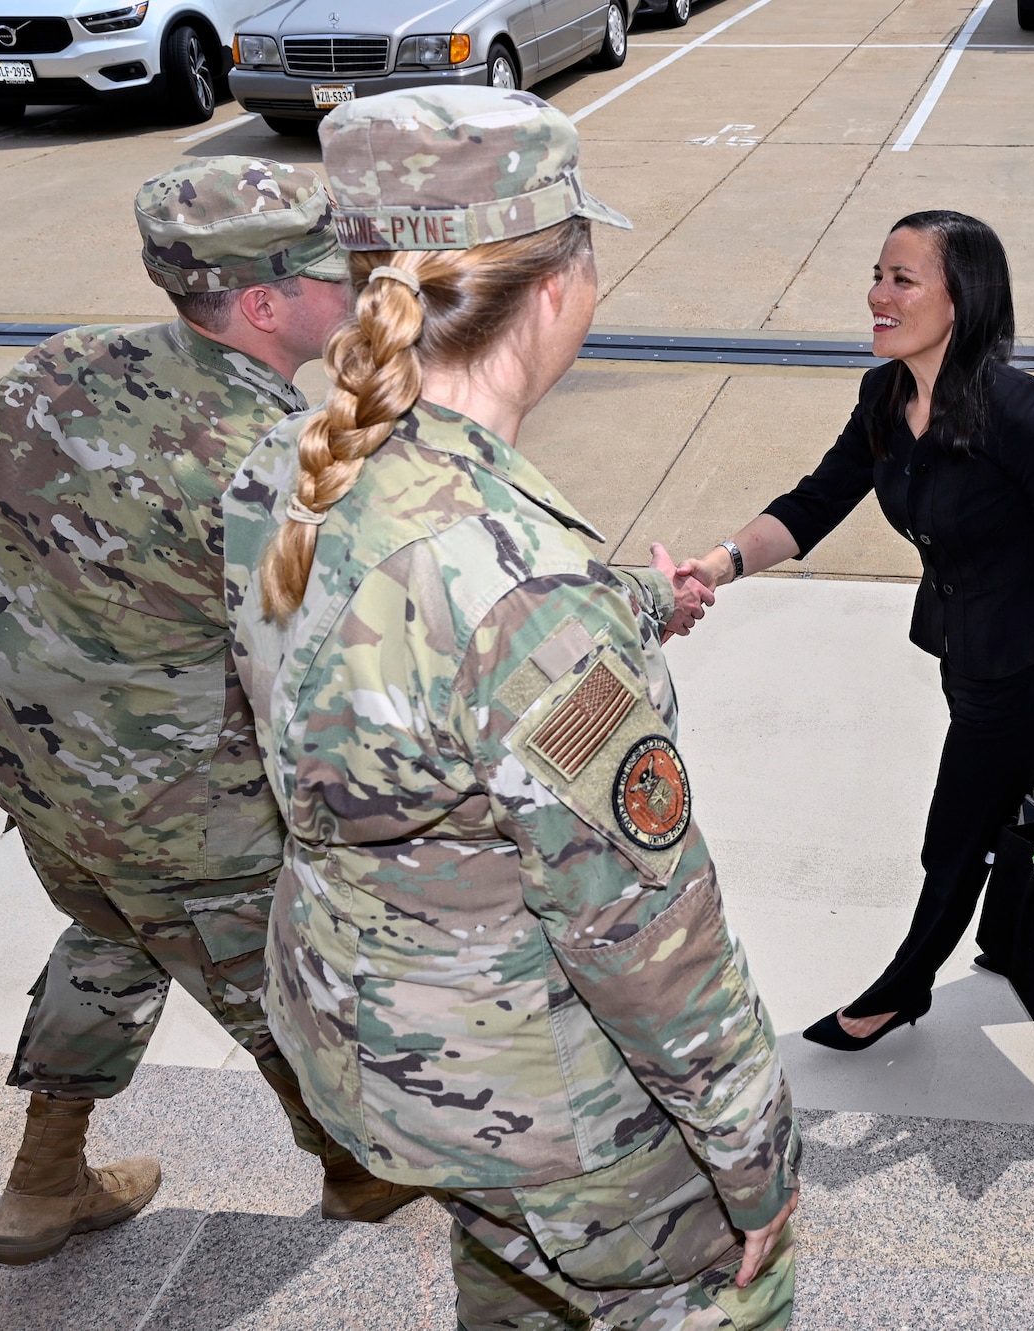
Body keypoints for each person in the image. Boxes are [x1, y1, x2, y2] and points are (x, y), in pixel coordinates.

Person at [220, 87, 793, 1331]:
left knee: (511, 1265)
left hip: (366, 1041)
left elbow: (404, 667)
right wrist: (753, 1156)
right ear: (555, 287)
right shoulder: (522, 583)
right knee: (728, 1296)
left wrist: (621, 601)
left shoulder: (287, 464)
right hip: (536, 1086)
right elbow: (642, 933)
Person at [0, 157, 420, 1266]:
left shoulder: (54, 368)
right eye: (338, 278)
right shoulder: (280, 460)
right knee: (276, 981)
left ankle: (43, 1185)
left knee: (113, 936)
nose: (359, 297)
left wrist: (84, 661)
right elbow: (351, 660)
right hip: (197, 814)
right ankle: (357, 1169)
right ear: (264, 302)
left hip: (46, 781)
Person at [683, 210, 1034, 1052]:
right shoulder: (885, 396)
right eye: (876, 276)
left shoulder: (1021, 414)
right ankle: (1008, 938)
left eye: (902, 279)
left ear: (963, 300)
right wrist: (718, 564)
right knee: (1006, 810)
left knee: (950, 840)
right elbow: (815, 504)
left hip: (1022, 668)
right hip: (961, 649)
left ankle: (898, 991)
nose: (877, 296)